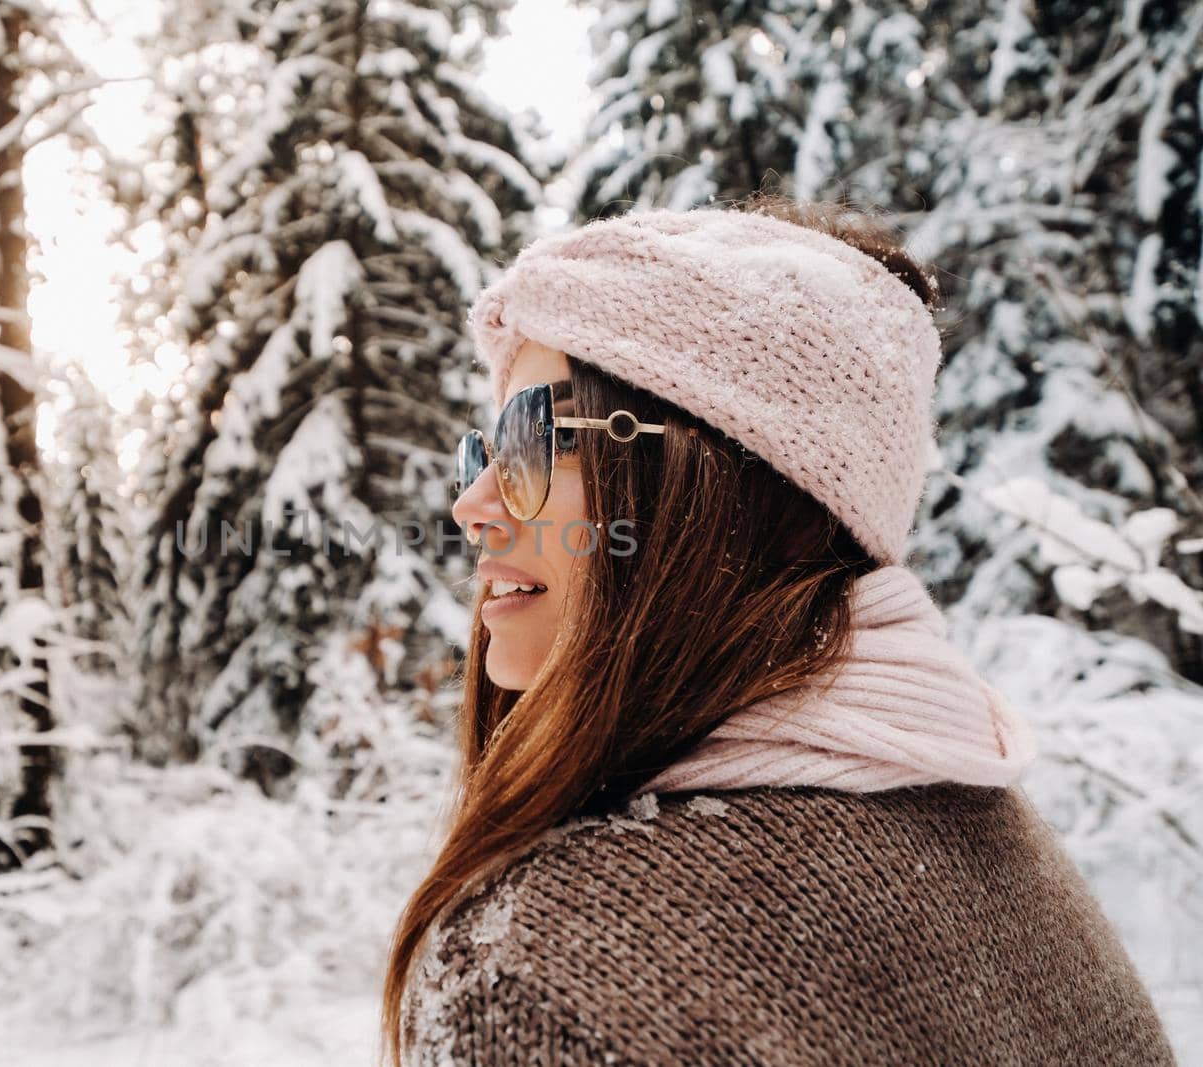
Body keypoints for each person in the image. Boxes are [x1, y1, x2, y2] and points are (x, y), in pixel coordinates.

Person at [378, 193, 1177, 1067]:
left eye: (537, 440)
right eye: (484, 451)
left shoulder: (544, 970)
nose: (472, 506)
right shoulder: (999, 842)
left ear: (721, 490)